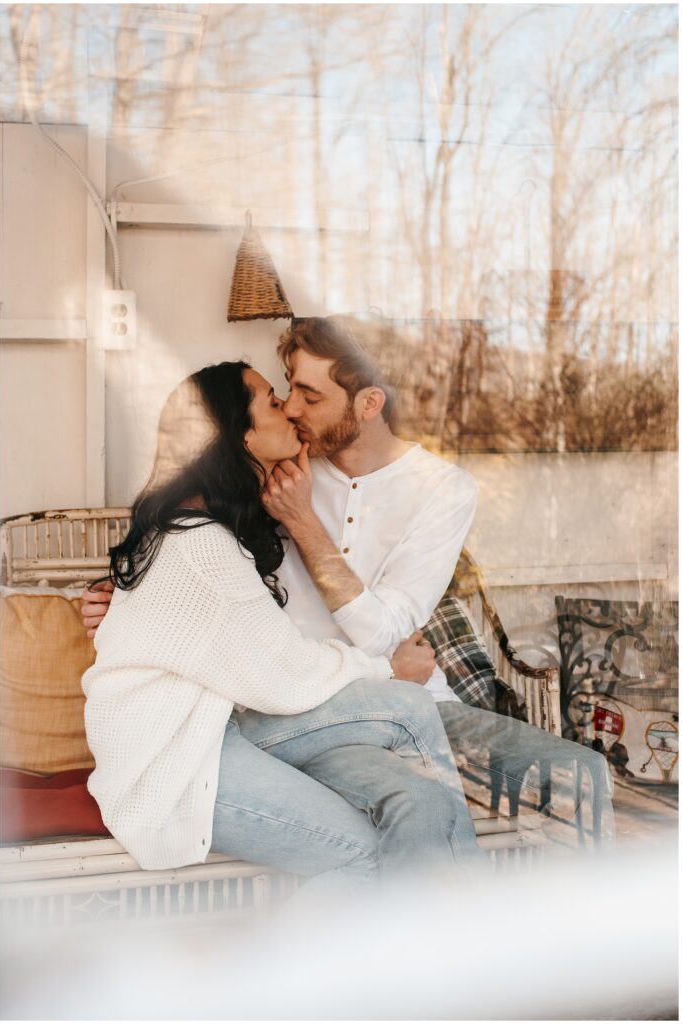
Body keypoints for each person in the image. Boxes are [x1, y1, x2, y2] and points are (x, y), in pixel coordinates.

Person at [84, 318, 614, 846]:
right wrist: (126, 603)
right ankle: (453, 912)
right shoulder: (272, 464)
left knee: (578, 770)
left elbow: (385, 634)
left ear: (368, 403)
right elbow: (191, 554)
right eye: (286, 390)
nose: (291, 407)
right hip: (297, 704)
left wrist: (303, 524)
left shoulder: (444, 490)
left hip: (409, 692)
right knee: (412, 801)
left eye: (309, 396)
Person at [82, 361, 484, 884]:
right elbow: (285, 675)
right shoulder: (200, 543)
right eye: (273, 401)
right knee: (366, 845)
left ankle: (449, 913)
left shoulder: (197, 524)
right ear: (236, 434)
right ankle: (463, 911)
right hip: (175, 759)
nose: (290, 410)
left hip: (213, 725)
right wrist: (387, 668)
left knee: (416, 779)